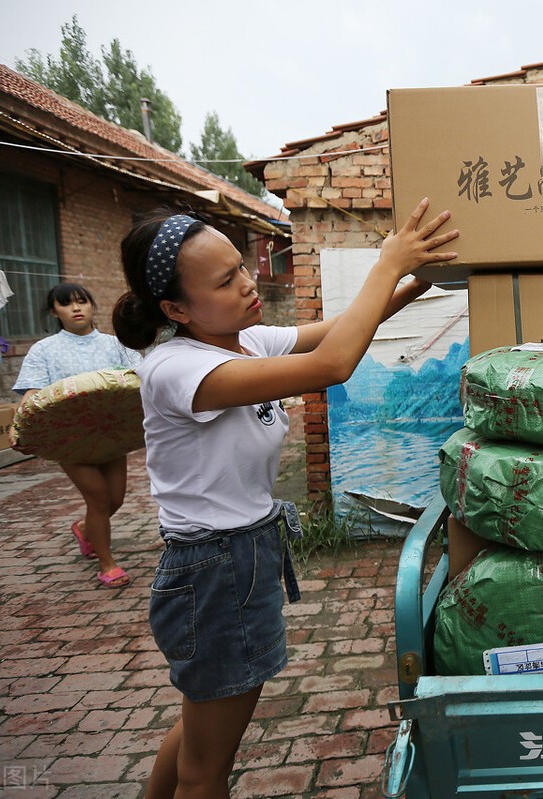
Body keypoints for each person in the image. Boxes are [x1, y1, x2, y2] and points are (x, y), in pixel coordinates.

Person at [112, 200, 457, 799]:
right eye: (225, 281)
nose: (248, 283)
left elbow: (345, 326)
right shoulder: (175, 368)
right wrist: (387, 262)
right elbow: (331, 363)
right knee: (206, 764)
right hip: (211, 571)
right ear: (174, 309)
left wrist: (418, 277)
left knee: (204, 716)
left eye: (241, 266)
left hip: (239, 556)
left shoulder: (244, 340)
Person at [12, 282, 142, 588]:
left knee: (115, 500)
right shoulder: (43, 351)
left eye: (82, 301)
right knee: (98, 499)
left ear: (92, 306)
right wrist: (21, 426)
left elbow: (141, 377)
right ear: (54, 311)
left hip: (112, 435)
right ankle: (107, 564)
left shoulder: (115, 344)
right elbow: (32, 393)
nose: (76, 308)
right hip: (68, 439)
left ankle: (85, 530)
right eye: (67, 303)